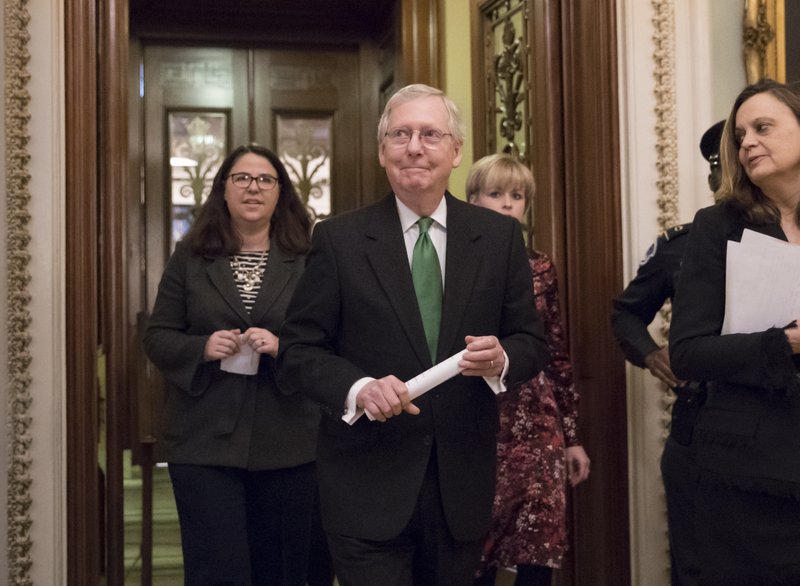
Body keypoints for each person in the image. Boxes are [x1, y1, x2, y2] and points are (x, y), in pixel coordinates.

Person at [275, 83, 550, 585]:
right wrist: (359, 388)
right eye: (400, 134)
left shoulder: (498, 238)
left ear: (456, 150)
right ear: (382, 151)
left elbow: (531, 341)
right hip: (364, 486)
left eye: (430, 134)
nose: (415, 147)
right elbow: (298, 352)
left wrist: (502, 357)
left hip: (459, 488)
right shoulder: (338, 239)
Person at [143, 143, 319, 585]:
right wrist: (202, 347)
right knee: (215, 570)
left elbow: (333, 340)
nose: (253, 188)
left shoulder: (310, 258)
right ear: (223, 189)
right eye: (241, 178)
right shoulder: (191, 254)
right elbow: (157, 337)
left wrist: (283, 347)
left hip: (291, 441)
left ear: (281, 192)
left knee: (284, 570)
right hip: (204, 440)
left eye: (265, 179)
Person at [669, 79, 800, 585]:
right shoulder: (717, 225)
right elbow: (687, 353)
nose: (746, 142)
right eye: (740, 133)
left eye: (762, 127)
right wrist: (786, 342)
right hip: (747, 474)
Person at [465, 154, 590, 586]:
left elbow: (555, 352)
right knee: (474, 551)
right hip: (475, 420)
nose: (507, 204)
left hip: (537, 425)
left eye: (517, 196)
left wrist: (572, 438)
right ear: (472, 199)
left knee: (539, 546)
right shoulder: (455, 264)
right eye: (496, 194)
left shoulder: (540, 266)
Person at [610, 120, 723, 585]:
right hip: (701, 426)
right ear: (715, 178)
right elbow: (626, 313)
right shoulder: (683, 243)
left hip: (780, 425)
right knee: (698, 565)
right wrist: (651, 354)